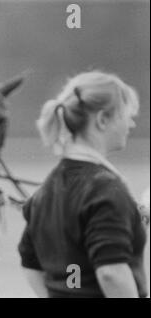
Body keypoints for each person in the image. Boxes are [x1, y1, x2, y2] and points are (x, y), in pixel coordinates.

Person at [18, 71, 148, 298]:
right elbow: (111, 273)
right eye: (126, 115)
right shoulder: (107, 190)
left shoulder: (44, 191)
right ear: (102, 119)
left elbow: (31, 264)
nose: (131, 122)